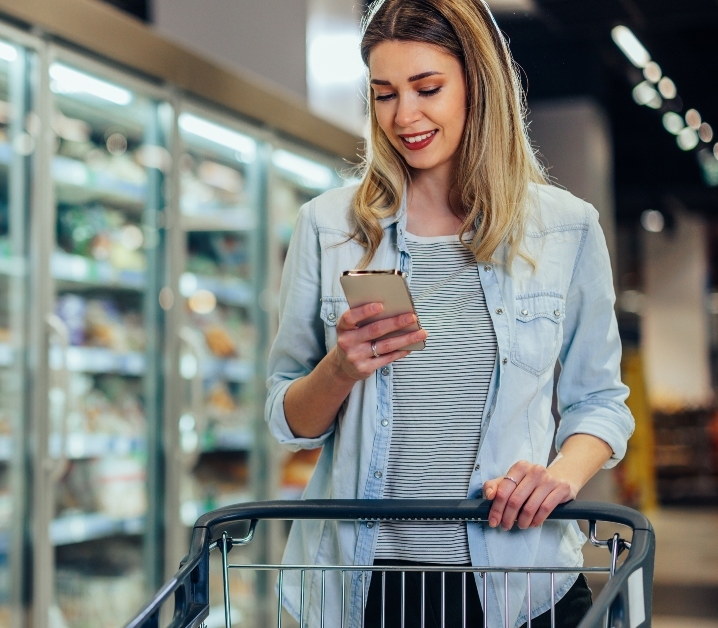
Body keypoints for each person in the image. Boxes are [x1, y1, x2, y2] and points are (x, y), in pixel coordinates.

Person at [266, 0, 634, 626]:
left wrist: (561, 476)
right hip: (364, 586)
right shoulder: (328, 227)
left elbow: (600, 401)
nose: (404, 116)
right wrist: (339, 369)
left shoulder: (565, 229)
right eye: (384, 94)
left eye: (427, 88)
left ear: (477, 85)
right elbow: (286, 418)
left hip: (519, 584)